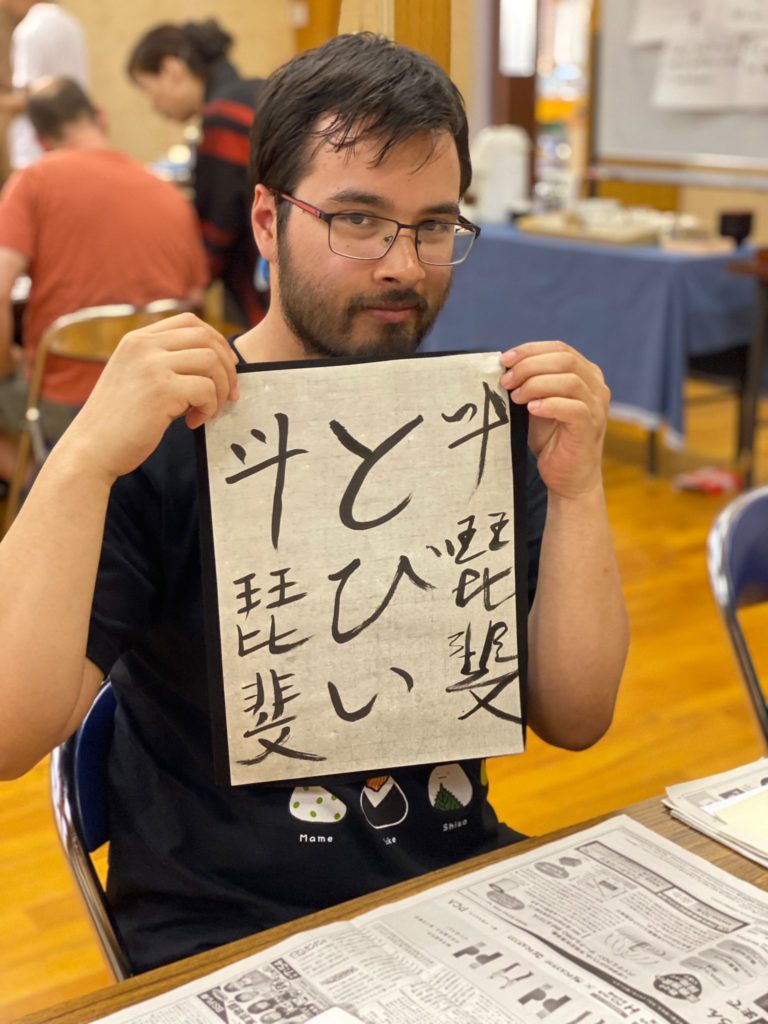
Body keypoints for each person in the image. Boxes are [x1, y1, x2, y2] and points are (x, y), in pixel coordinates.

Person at [0, 34, 628, 973]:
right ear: (266, 221)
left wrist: (577, 488)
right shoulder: (166, 433)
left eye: (432, 226)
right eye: (358, 220)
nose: (403, 265)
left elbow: (577, 718)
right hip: (227, 927)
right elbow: (9, 732)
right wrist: (83, 458)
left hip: (451, 886)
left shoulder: (476, 425)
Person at [0, 76, 208, 480]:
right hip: (161, 402)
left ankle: (42, 488)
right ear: (100, 117)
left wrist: (7, 361)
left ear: (41, 140)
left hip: (63, 401)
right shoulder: (167, 192)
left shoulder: (33, 182)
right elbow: (196, 298)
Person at [127, 19, 266, 329]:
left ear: (172, 69)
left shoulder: (223, 115)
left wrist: (198, 279)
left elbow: (221, 217)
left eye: (149, 90)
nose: (155, 106)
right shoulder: (254, 92)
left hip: (260, 280)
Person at [0, 0, 88, 169]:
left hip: (39, 148)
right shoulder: (68, 22)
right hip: (74, 136)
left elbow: (30, 99)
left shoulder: (29, 29)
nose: (4, 5)